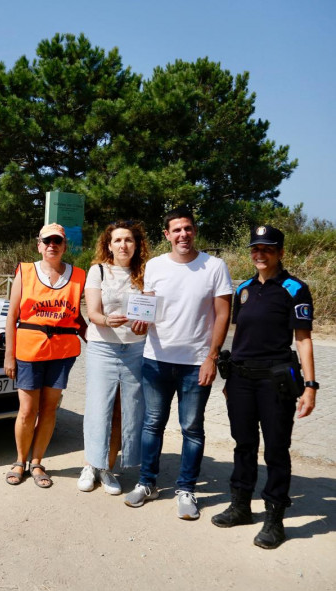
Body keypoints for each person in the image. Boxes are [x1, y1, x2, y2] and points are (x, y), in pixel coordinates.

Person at [212, 225, 317, 549]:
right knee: (243, 444)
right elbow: (238, 336)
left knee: (275, 449)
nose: (260, 254)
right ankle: (241, 505)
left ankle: (274, 518)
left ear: (281, 253)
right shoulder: (242, 289)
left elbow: (303, 339)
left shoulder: (294, 289)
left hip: (275, 381)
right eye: (255, 248)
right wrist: (229, 378)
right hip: (242, 380)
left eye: (267, 249)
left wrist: (311, 386)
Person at [124, 207, 233, 519]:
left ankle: (187, 489)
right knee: (152, 424)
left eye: (187, 228)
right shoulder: (155, 265)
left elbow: (224, 314)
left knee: (192, 428)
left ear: (194, 230)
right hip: (156, 360)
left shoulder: (214, 266)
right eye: (176, 230)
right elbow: (146, 308)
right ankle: (148, 483)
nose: (183, 234)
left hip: (196, 362)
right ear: (167, 235)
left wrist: (212, 358)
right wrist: (139, 324)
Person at [4, 223, 87, 488]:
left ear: (64, 246)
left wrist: (97, 338)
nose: (52, 245)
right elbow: (12, 316)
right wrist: (9, 355)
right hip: (29, 350)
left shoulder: (78, 276)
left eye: (58, 241)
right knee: (28, 410)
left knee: (49, 409)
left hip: (62, 352)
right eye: (47, 241)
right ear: (38, 245)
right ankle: (20, 460)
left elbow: (80, 316)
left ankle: (37, 462)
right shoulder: (25, 271)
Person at [78, 220, 149, 495]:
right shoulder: (97, 271)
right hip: (102, 347)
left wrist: (146, 323)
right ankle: (90, 465)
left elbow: (150, 312)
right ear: (108, 245)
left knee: (125, 410)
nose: (123, 245)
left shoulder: (145, 272)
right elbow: (92, 314)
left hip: (135, 350)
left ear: (136, 244)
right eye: (118, 240)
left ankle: (107, 468)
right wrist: (107, 319)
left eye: (128, 240)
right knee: (98, 408)